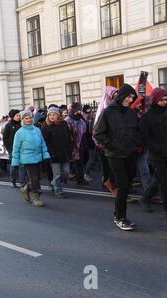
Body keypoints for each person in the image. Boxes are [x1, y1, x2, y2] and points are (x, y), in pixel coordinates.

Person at [94, 84, 140, 231]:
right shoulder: (108, 112)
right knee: (123, 185)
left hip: (130, 153)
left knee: (128, 184)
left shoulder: (132, 113)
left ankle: (118, 215)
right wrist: (112, 145)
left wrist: (136, 144)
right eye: (128, 96)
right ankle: (120, 217)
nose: (130, 99)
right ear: (121, 96)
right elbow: (98, 133)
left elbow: (138, 131)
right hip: (114, 155)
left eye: (132, 97)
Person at [12, 110, 51, 207]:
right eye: (26, 118)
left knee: (38, 178)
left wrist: (45, 155)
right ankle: (36, 198)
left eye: (30, 118)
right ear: (23, 120)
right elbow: (16, 149)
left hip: (38, 158)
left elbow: (42, 144)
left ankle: (25, 188)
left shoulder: (37, 130)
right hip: (27, 159)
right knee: (34, 179)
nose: (29, 120)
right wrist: (15, 162)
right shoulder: (19, 133)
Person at [139, 88, 167, 214]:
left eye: (166, 99)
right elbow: (144, 137)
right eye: (162, 100)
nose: (165, 102)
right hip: (156, 155)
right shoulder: (147, 117)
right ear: (155, 100)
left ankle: (145, 198)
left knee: (161, 179)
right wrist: (157, 148)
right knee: (164, 182)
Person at [41, 106, 73, 198]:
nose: (52, 116)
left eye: (54, 114)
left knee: (66, 172)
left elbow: (68, 138)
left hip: (64, 153)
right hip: (53, 154)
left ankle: (52, 183)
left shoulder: (63, 124)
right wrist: (50, 153)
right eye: (50, 114)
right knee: (57, 174)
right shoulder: (46, 126)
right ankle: (58, 192)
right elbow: (45, 142)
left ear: (58, 115)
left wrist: (70, 150)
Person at [65, 103, 88, 185]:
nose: (80, 112)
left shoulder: (81, 120)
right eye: (78, 110)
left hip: (80, 144)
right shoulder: (67, 120)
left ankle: (80, 179)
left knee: (80, 162)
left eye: (80, 110)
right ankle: (66, 176)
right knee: (73, 162)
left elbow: (84, 131)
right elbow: (66, 134)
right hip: (72, 145)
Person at [3, 109, 26, 188]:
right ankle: (13, 180)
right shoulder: (8, 125)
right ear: (12, 117)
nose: (19, 116)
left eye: (19, 115)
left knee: (22, 165)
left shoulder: (22, 124)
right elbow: (5, 138)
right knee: (14, 165)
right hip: (12, 149)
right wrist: (9, 148)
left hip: (22, 148)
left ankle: (23, 183)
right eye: (17, 115)